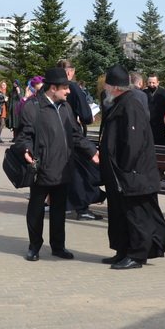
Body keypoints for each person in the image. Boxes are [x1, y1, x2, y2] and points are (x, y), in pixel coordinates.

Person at [13, 66, 99, 262]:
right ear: (53, 88)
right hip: (42, 167)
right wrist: (26, 149)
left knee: (59, 209)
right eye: (65, 88)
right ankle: (34, 246)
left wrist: (91, 151)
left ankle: (58, 246)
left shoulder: (66, 107)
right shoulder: (33, 107)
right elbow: (23, 136)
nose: (68, 91)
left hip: (63, 168)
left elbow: (76, 135)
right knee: (36, 209)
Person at [98, 65, 165, 270]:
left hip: (132, 174)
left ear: (115, 87)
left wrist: (124, 168)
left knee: (136, 215)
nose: (104, 88)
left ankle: (137, 255)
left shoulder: (130, 105)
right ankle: (123, 250)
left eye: (107, 85)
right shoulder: (119, 103)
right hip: (121, 174)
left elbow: (133, 142)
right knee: (120, 214)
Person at [56, 59, 100, 221]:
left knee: (64, 170)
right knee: (80, 173)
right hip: (72, 135)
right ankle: (82, 208)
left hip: (55, 136)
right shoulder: (73, 88)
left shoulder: (51, 88)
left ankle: (64, 204)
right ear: (70, 72)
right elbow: (86, 115)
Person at [144, 74, 165, 146]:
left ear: (158, 83)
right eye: (150, 82)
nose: (151, 85)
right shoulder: (144, 93)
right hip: (147, 123)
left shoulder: (164, 93)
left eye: (153, 83)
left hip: (160, 123)